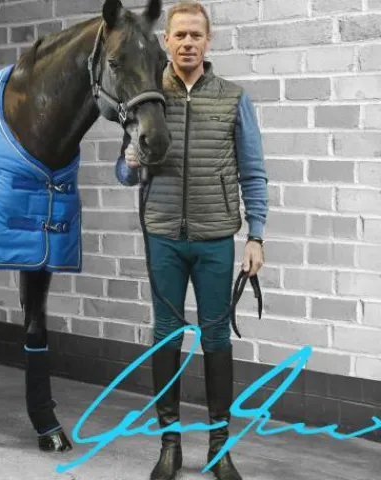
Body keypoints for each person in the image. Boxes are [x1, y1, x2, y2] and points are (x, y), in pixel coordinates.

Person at [115, 1, 268, 479]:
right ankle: (170, 445)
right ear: (166, 41)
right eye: (178, 35)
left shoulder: (233, 98)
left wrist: (256, 235)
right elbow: (123, 171)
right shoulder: (147, 96)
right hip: (162, 236)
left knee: (216, 337)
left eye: (195, 35)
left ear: (208, 40)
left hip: (215, 238)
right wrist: (129, 163)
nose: (186, 43)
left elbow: (253, 172)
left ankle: (220, 448)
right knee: (166, 335)